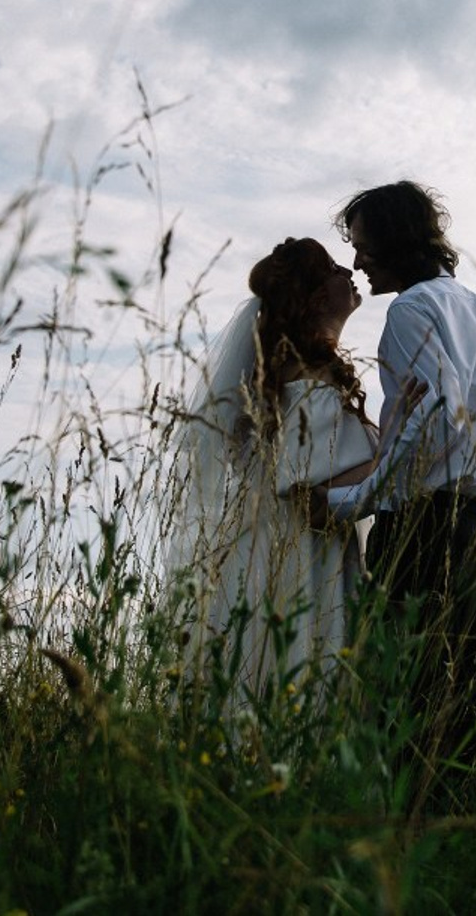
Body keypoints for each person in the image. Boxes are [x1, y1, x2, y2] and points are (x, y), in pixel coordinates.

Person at [333, 181, 476, 805]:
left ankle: (411, 839)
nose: (358, 261)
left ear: (393, 242)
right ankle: (461, 843)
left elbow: (433, 417)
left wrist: (353, 502)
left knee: (410, 699)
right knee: (473, 700)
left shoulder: (411, 310)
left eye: (364, 246)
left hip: (429, 528)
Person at [163, 237, 416, 704]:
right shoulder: (308, 385)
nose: (349, 273)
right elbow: (310, 498)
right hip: (302, 566)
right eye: (336, 268)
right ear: (319, 296)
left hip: (273, 560)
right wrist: (397, 449)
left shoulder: (291, 381)